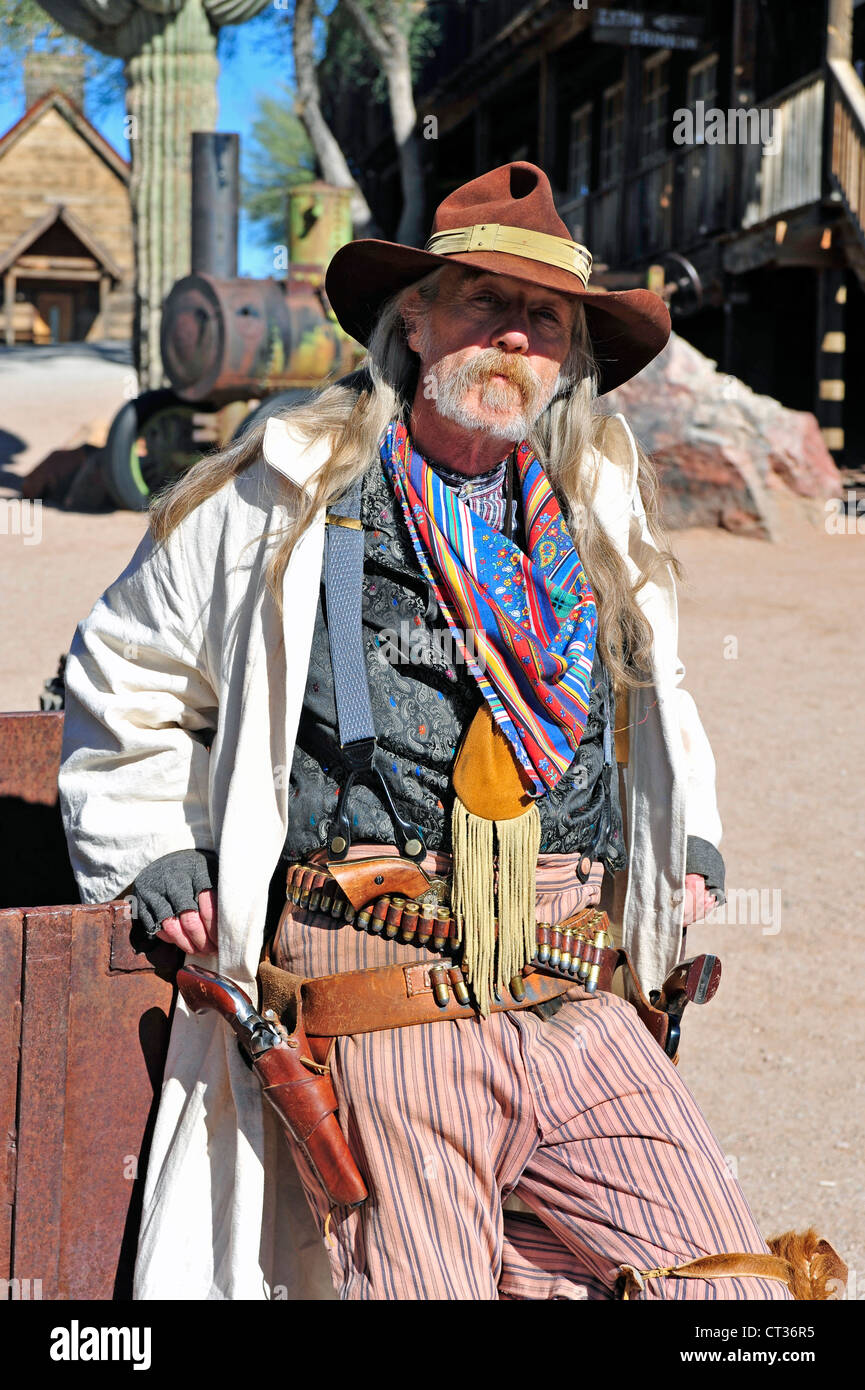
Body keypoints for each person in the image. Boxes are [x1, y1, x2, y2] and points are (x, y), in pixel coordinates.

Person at [58, 161, 790, 1301]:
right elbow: (124, 663)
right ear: (413, 320)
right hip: (376, 982)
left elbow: (661, 691)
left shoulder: (593, 505)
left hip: (569, 976)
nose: (512, 336)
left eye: (542, 317)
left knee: (737, 1291)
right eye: (481, 302)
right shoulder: (285, 489)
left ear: (570, 357)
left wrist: (683, 831)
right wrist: (152, 846)